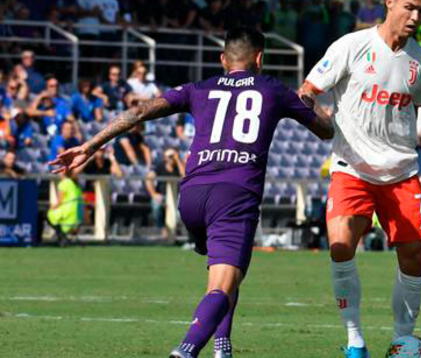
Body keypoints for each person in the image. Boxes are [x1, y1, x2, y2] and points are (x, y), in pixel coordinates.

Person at [49, 27, 333, 358]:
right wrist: (309, 100)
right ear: (260, 59)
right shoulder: (273, 89)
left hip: (192, 196)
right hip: (235, 194)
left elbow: (138, 112)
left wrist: (89, 145)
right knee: (223, 282)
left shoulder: (200, 88)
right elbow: (326, 131)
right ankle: (186, 350)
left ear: (222, 60)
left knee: (224, 271)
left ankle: (222, 346)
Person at [298, 0, 421, 356]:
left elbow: (410, 112)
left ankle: (402, 339)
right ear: (389, 3)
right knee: (341, 245)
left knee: (414, 253)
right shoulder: (351, 46)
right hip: (352, 167)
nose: (416, 17)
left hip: (401, 171)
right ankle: (354, 339)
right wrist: (321, 120)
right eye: (409, 7)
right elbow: (307, 92)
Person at [145, 148, 185, 235]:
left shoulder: (179, 166)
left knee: (179, 212)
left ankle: (176, 231)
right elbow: (149, 179)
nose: (171, 158)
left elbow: (184, 175)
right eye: (169, 156)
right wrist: (154, 194)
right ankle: (162, 229)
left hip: (177, 196)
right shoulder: (160, 166)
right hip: (162, 195)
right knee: (156, 206)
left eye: (173, 156)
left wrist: (178, 159)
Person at [47, 170, 83, 246]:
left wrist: (51, 207)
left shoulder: (63, 184)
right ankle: (62, 237)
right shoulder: (76, 183)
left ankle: (62, 237)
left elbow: (60, 201)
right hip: (77, 213)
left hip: (68, 211)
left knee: (48, 215)